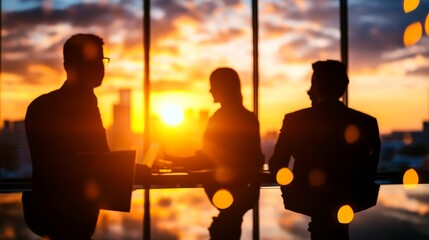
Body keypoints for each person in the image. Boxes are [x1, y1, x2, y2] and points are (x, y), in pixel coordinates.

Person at [269, 60, 381, 240]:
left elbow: (277, 164)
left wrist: (292, 188)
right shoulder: (367, 122)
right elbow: (370, 167)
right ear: (343, 87)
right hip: (349, 199)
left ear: (317, 85)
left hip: (307, 199)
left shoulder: (294, 120)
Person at [22, 33, 110, 239]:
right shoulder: (83, 102)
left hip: (39, 212)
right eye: (95, 60)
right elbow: (101, 158)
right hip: (73, 214)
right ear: (70, 65)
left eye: (101, 60)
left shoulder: (39, 105)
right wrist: (136, 170)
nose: (101, 67)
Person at [166, 67, 264, 239]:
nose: (210, 90)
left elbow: (207, 160)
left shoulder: (220, 118)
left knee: (226, 229)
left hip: (227, 192)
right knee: (229, 227)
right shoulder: (249, 117)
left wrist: (174, 161)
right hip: (244, 193)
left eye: (213, 85)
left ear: (223, 88)